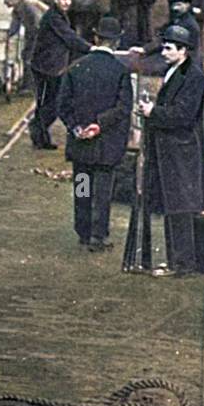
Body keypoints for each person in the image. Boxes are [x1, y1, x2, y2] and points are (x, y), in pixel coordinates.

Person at [57, 16, 133, 252]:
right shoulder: (120, 71)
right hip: (107, 145)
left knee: (82, 186)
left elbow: (62, 106)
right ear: (117, 42)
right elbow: (123, 107)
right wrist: (99, 125)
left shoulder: (75, 68)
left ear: (96, 38)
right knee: (102, 191)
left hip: (81, 145)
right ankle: (98, 236)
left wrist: (76, 126)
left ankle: (82, 232)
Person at [138, 24, 204, 276]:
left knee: (179, 208)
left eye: (168, 48)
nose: (163, 52)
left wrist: (152, 112)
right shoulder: (175, 70)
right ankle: (176, 260)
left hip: (181, 152)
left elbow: (183, 115)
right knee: (172, 205)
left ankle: (183, 264)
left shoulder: (194, 77)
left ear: (183, 51)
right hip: (170, 150)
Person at [29, 0, 91, 150]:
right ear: (56, 0)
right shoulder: (54, 17)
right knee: (52, 103)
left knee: (48, 102)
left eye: (69, 0)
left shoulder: (58, 15)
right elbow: (68, 37)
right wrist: (90, 48)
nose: (66, 3)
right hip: (47, 67)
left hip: (50, 65)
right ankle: (38, 131)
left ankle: (40, 136)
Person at [3, 0, 47, 86]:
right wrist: (8, 37)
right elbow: (15, 26)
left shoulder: (28, 6)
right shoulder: (17, 9)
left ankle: (31, 85)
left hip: (41, 35)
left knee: (30, 59)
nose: (5, 2)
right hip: (33, 34)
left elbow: (38, 24)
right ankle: (28, 84)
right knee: (26, 57)